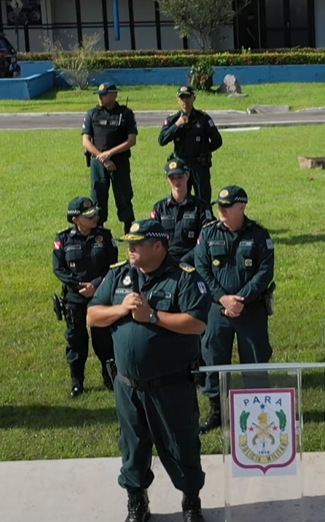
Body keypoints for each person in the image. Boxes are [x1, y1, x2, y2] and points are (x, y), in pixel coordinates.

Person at [88, 219, 209, 522]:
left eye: (137, 244)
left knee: (182, 445)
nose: (130, 249)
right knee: (133, 447)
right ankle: (137, 502)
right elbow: (92, 315)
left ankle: (191, 502)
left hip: (172, 385)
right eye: (128, 243)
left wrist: (152, 316)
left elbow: (197, 323)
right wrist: (122, 310)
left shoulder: (183, 278)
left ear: (158, 246)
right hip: (129, 386)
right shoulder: (119, 276)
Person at [193, 186, 275, 435]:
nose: (222, 211)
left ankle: (256, 415)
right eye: (219, 206)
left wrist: (241, 299)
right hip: (217, 310)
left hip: (250, 310)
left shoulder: (259, 234)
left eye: (227, 207)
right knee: (215, 360)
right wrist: (222, 298)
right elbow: (201, 268)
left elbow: (265, 271)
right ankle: (217, 412)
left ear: (242, 206)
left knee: (255, 362)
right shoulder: (208, 234)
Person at [53, 196, 118, 398]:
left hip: (100, 296)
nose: (94, 217)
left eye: (95, 213)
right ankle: (77, 382)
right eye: (89, 216)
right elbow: (59, 268)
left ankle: (110, 378)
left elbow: (113, 267)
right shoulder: (63, 239)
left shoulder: (105, 237)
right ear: (75, 220)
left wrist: (95, 285)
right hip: (75, 298)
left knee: (104, 341)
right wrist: (77, 285)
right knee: (76, 341)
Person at [82, 82, 139, 233]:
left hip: (119, 162)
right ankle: (98, 228)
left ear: (114, 95)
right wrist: (102, 157)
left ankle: (128, 227)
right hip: (98, 163)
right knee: (98, 195)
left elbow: (131, 140)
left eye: (104, 94)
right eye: (99, 95)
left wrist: (110, 153)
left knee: (123, 195)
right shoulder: (92, 114)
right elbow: (86, 141)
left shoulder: (125, 113)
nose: (100, 97)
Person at [159, 86, 223, 202]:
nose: (185, 101)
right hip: (181, 166)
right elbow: (162, 140)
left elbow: (217, 141)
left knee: (203, 200)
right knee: (181, 199)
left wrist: (204, 149)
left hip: (199, 165)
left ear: (194, 98)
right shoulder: (173, 119)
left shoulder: (203, 118)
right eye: (182, 98)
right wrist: (177, 125)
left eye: (188, 97)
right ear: (177, 100)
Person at [150, 157, 216, 269]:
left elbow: (205, 241)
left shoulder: (201, 207)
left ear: (187, 176)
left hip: (193, 263)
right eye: (172, 178)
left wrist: (183, 262)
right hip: (165, 263)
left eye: (180, 177)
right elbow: (152, 238)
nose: (176, 182)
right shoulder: (160, 208)